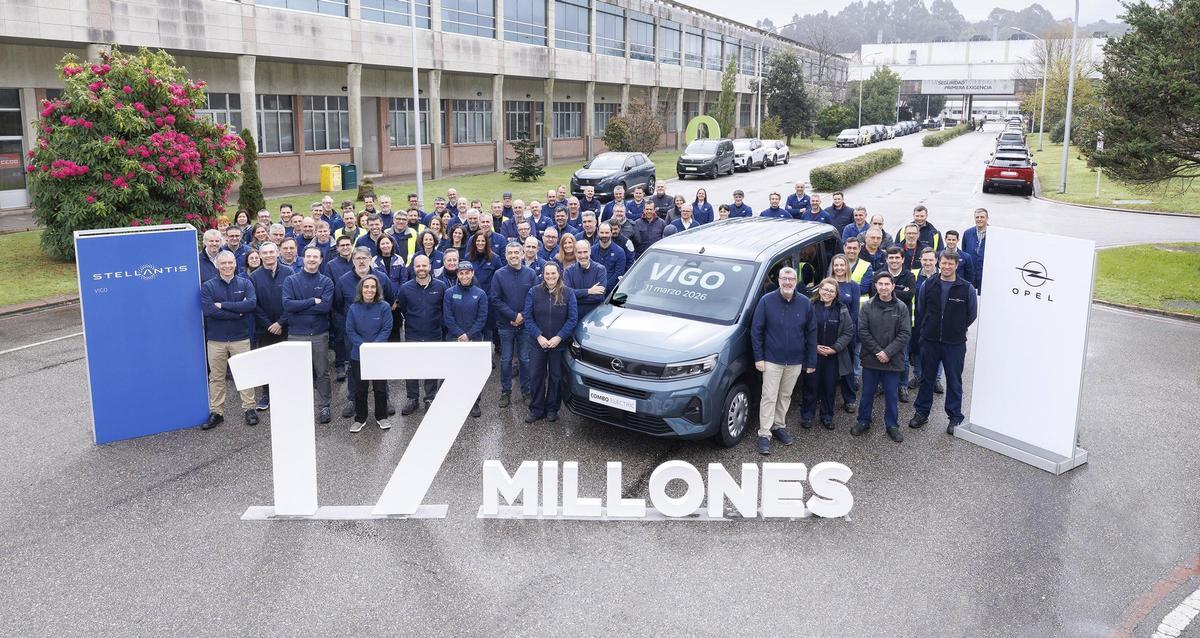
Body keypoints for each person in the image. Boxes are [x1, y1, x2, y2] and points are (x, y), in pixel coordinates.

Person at [909, 251, 978, 435]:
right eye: (944, 263)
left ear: (957, 265)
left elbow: (971, 315)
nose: (947, 267)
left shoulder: (967, 288)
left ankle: (955, 416)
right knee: (927, 379)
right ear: (939, 263)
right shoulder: (928, 284)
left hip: (954, 343)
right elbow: (922, 309)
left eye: (950, 264)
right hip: (930, 341)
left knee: (954, 380)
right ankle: (922, 412)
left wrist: (955, 328)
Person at [750, 267, 816, 455]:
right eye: (784, 278)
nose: (787, 282)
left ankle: (778, 426)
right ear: (778, 280)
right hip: (772, 360)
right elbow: (756, 331)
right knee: (769, 396)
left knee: (785, 395)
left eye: (791, 279)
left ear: (796, 281)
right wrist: (758, 358)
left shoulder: (805, 303)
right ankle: (764, 434)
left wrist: (811, 361)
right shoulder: (766, 301)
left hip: (795, 361)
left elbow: (811, 333)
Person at [200, 251, 259, 429]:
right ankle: (216, 412)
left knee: (245, 373)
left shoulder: (245, 283)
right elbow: (209, 311)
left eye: (230, 262)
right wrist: (237, 312)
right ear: (217, 265)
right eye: (223, 263)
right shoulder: (208, 286)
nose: (227, 266)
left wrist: (223, 305)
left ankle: (249, 408)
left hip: (240, 338)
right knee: (216, 377)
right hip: (216, 340)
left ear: (235, 263)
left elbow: (251, 304)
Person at [853, 272, 910, 443]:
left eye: (887, 284)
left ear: (893, 286)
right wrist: (879, 351)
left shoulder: (901, 307)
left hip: (893, 360)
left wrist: (888, 353)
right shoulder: (867, 306)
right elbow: (862, 331)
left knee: (891, 395)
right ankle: (863, 421)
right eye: (880, 284)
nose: (884, 287)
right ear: (875, 286)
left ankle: (892, 425)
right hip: (871, 359)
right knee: (867, 393)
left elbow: (905, 333)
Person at [283, 246, 335, 424]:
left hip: (319, 334)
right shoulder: (291, 280)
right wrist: (313, 301)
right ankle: (299, 406)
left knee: (322, 372)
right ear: (303, 258)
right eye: (309, 256)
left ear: (321, 260)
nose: (312, 259)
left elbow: (325, 308)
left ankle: (324, 406)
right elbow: (288, 305)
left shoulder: (326, 281)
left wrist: (300, 307)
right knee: (297, 373)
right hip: (296, 334)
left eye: (315, 257)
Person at [523, 261, 578, 423]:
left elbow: (572, 318)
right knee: (536, 376)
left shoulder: (568, 293)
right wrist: (538, 336)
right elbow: (528, 317)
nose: (550, 276)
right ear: (543, 274)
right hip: (538, 343)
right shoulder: (534, 292)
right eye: (547, 273)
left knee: (556, 377)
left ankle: (552, 409)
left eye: (553, 273)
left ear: (559, 273)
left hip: (558, 344)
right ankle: (536, 409)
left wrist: (559, 337)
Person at [395, 254, 448, 414]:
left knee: (432, 367)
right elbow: (404, 309)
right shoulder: (405, 288)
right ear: (413, 268)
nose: (421, 269)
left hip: (434, 334)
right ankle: (412, 398)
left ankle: (429, 398)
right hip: (413, 335)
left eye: (424, 265)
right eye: (418, 266)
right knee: (411, 368)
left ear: (429, 266)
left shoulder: (441, 286)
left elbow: (444, 309)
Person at [801, 278, 855, 430]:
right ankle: (807, 415)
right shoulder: (809, 306)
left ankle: (827, 416)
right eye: (825, 289)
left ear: (836, 294)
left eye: (831, 291)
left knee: (829, 387)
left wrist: (835, 348)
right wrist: (814, 346)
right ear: (819, 290)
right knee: (810, 386)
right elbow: (801, 330)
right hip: (813, 355)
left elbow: (848, 332)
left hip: (833, 356)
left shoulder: (841, 309)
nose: (828, 293)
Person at [490, 242, 538, 407]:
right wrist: (512, 316)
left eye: (516, 252)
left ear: (522, 254)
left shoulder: (531, 274)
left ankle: (526, 391)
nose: (513, 255)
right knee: (505, 360)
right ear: (506, 255)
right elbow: (495, 299)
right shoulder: (499, 274)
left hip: (525, 326)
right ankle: (506, 392)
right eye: (510, 253)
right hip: (505, 325)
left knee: (525, 360)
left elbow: (534, 298)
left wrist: (522, 316)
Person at [345, 274, 393, 432]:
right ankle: (360, 418)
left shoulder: (384, 307)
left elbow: (386, 329)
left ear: (377, 289)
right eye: (366, 287)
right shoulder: (353, 308)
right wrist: (364, 347)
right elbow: (350, 330)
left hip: (379, 355)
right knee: (360, 389)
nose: (369, 290)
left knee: (380, 388)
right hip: (358, 355)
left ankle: (382, 416)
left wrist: (374, 347)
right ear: (361, 289)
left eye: (373, 287)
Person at [443, 260, 489, 418]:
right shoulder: (449, 293)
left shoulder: (480, 294)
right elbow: (448, 317)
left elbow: (482, 318)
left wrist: (468, 335)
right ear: (457, 275)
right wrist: (459, 334)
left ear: (472, 273)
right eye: (461, 273)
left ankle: (474, 401)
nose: (464, 276)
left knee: (473, 372)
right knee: (454, 370)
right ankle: (456, 400)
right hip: (453, 338)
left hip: (474, 339)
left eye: (467, 273)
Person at [878, 246, 917, 402]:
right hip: (881, 321)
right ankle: (882, 384)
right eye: (891, 257)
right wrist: (900, 291)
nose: (894, 260)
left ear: (902, 259)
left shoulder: (909, 276)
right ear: (887, 259)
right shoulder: (880, 273)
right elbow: (876, 293)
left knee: (904, 357)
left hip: (902, 322)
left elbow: (909, 295)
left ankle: (902, 386)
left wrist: (887, 292)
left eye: (897, 258)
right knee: (881, 353)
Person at [829, 253, 861, 413]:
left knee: (847, 368)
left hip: (847, 334)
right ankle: (826, 397)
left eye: (842, 265)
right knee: (828, 368)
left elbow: (854, 312)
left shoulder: (853, 286)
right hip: (828, 333)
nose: (839, 268)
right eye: (836, 265)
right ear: (832, 267)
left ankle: (849, 399)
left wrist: (844, 332)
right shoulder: (828, 284)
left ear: (847, 267)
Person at [564, 239, 607, 319]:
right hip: (574, 316)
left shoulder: (600, 270)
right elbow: (566, 295)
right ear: (575, 253)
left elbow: (599, 296)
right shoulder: (568, 271)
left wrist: (575, 296)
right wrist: (588, 291)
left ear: (590, 252)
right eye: (579, 252)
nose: (583, 256)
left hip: (594, 316)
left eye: (585, 252)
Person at [960, 207, 988, 291]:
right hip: (970, 276)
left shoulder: (994, 234)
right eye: (977, 217)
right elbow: (964, 253)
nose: (979, 219)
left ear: (987, 218)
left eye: (982, 217)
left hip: (986, 276)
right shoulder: (967, 233)